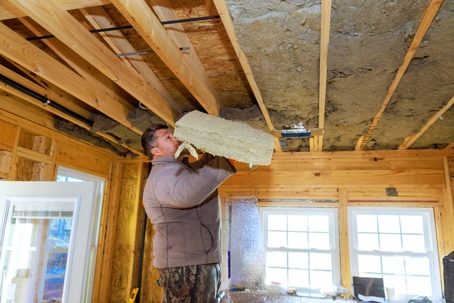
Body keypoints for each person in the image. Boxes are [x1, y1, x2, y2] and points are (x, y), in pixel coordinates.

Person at [141, 124, 236, 303]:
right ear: (156, 150)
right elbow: (186, 192)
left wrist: (217, 147)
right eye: (168, 137)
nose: (176, 138)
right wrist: (226, 162)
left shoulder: (178, 169)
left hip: (197, 263)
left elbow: (202, 168)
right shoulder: (161, 174)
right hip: (186, 267)